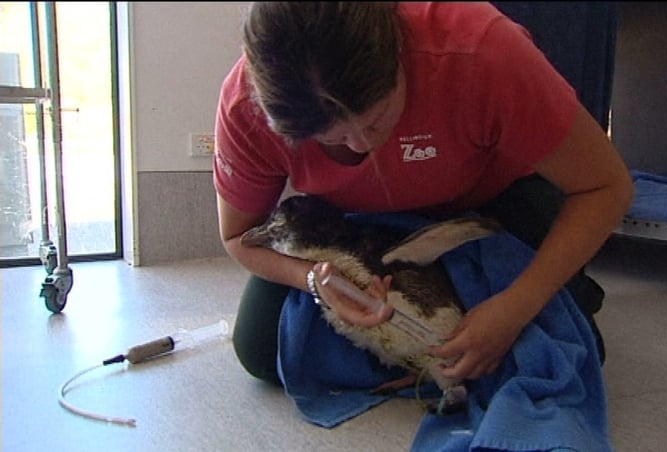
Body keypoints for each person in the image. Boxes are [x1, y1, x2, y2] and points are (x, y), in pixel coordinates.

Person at [213, 2, 634, 386]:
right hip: (354, 224)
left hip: (493, 202)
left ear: (399, 57)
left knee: (567, 355)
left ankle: (553, 291)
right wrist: (313, 280)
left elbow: (606, 186)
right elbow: (238, 238)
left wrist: (517, 306)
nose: (361, 146)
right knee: (263, 352)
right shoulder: (243, 106)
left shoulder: (481, 49)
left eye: (376, 120)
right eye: (331, 138)